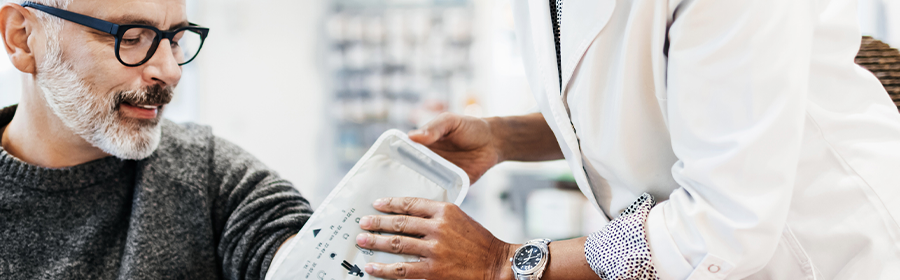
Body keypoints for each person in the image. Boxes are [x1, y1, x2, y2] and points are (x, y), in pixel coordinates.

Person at [353, 0, 900, 279]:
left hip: (826, 256)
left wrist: (507, 263)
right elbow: (640, 102)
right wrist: (503, 138)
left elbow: (726, 223)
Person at [0, 0, 311, 279]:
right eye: (131, 38)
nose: (169, 71)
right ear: (23, 38)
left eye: (177, 40)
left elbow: (288, 239)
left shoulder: (207, 176)